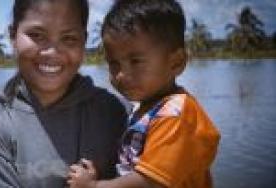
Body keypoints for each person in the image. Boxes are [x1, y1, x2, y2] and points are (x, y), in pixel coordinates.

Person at [0, 0, 127, 187]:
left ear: (84, 41)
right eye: (37, 35)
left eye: (68, 38)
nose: (52, 52)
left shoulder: (117, 113)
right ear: (13, 36)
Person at [67, 0, 220, 187]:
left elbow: (149, 182)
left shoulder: (176, 115)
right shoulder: (149, 108)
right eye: (114, 63)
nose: (121, 75)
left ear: (176, 62)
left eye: (136, 61)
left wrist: (93, 186)